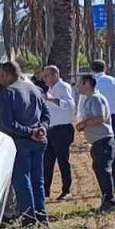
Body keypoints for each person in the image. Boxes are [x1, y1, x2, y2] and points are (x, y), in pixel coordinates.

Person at [0, 60, 50, 226]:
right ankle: (42, 215)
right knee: (38, 180)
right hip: (39, 140)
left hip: (20, 143)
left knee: (23, 181)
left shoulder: (7, 93)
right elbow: (46, 114)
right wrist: (41, 129)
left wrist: (29, 132)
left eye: (1, 75)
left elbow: (7, 124)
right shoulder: (34, 89)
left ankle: (29, 219)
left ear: (7, 74)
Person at [74, 74, 115, 213]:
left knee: (104, 171)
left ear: (87, 83)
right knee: (100, 170)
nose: (77, 87)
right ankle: (107, 201)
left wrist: (83, 124)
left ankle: (110, 203)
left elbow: (100, 118)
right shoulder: (90, 99)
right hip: (98, 141)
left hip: (103, 140)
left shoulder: (95, 99)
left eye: (80, 83)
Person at [90, 60, 115, 190]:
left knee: (97, 147)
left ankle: (103, 178)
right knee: (114, 149)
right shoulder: (114, 81)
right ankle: (114, 179)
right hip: (112, 117)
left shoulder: (91, 83)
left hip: (96, 119)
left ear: (92, 69)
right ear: (105, 68)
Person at [40, 65, 77, 200]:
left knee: (63, 161)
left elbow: (69, 105)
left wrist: (50, 99)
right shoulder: (51, 89)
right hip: (51, 130)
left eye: (46, 76)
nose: (44, 79)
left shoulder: (62, 87)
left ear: (55, 74)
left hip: (62, 130)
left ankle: (67, 190)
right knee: (47, 162)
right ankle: (45, 192)